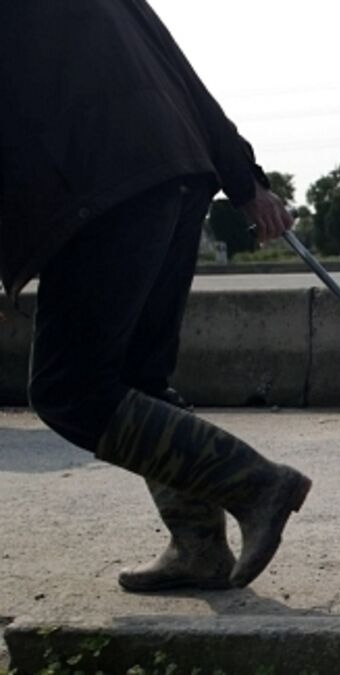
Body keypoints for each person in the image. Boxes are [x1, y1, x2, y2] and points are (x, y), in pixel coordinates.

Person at [0, 0, 312, 591]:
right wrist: (243, 180)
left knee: (70, 391)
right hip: (174, 168)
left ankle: (256, 484)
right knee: (140, 379)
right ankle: (198, 547)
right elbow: (176, 66)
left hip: (97, 186)